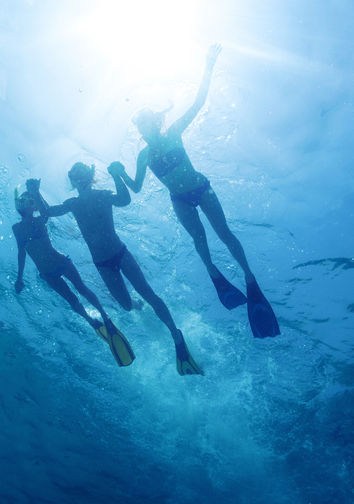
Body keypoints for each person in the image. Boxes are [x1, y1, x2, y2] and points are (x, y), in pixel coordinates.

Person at [117, 43, 280, 338]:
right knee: (199, 240)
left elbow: (199, 101)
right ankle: (213, 273)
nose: (143, 129)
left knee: (224, 233)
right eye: (139, 127)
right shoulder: (143, 156)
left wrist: (208, 65)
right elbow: (137, 188)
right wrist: (120, 176)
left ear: (155, 121)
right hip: (179, 199)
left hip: (202, 189)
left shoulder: (174, 131)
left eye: (145, 123)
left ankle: (250, 277)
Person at [45, 162, 204, 376]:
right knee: (126, 306)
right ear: (73, 181)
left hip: (120, 254)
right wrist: (36, 193)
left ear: (91, 175)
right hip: (102, 264)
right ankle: (137, 306)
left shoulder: (103, 194)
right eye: (76, 176)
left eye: (84, 174)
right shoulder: (72, 203)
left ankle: (176, 336)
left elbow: (124, 200)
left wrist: (117, 176)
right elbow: (47, 212)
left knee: (147, 292)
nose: (80, 179)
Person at [13, 178, 135, 366]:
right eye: (24, 201)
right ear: (18, 205)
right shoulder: (16, 229)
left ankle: (105, 317)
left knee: (82, 289)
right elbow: (21, 253)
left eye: (31, 202)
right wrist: (19, 278)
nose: (27, 205)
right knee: (71, 300)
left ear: (35, 206)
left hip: (61, 262)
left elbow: (47, 214)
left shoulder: (40, 220)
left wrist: (36, 191)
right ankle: (90, 321)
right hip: (46, 273)